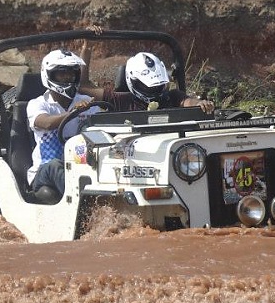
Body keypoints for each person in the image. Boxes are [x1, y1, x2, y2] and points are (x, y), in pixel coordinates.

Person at [27, 49, 98, 203]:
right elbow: (45, 123)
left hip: (81, 165)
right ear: (49, 75)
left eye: (71, 74)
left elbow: (104, 126)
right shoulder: (38, 104)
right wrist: (72, 113)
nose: (68, 78)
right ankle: (86, 207)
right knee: (55, 165)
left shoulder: (86, 101)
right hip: (43, 172)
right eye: (62, 74)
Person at [79, 43, 214, 113]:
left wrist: (199, 104)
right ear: (134, 81)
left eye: (157, 85)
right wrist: (87, 47)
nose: (154, 90)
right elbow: (83, 86)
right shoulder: (121, 100)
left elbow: (188, 102)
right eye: (148, 86)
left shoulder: (172, 97)